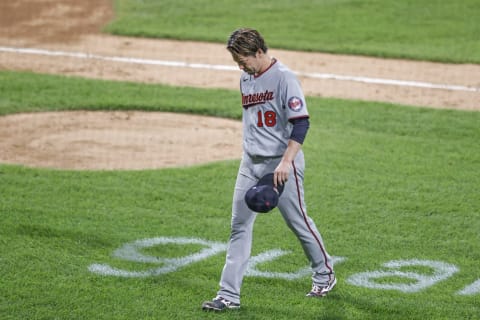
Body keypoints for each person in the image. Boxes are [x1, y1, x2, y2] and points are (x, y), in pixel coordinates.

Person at [202, 28, 335, 312]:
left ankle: (325, 274)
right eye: (237, 61)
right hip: (250, 163)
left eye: (243, 59)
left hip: (280, 165)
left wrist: (286, 162)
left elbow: (301, 123)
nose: (240, 65)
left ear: (259, 52)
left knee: (298, 223)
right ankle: (228, 295)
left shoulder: (284, 78)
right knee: (239, 226)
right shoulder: (245, 77)